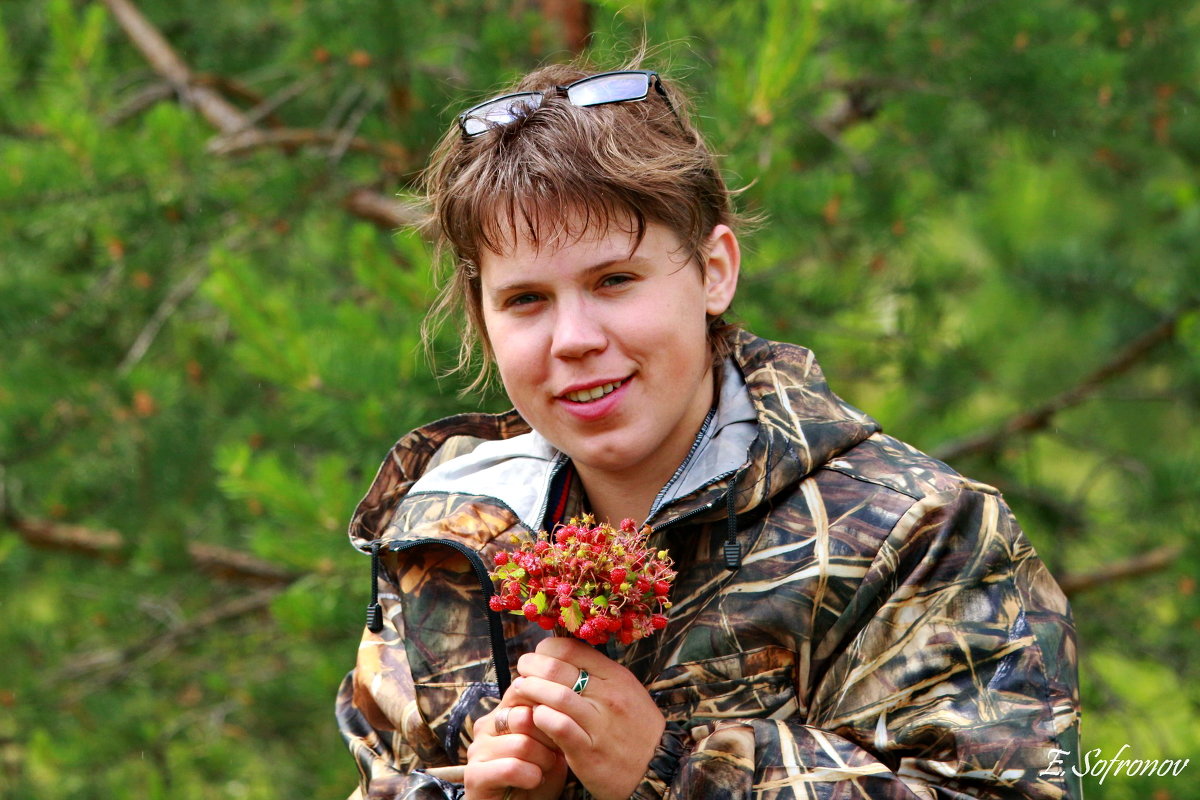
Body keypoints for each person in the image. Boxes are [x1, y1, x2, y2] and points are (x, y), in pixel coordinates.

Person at [334, 60, 1082, 800]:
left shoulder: (917, 533)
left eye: (614, 280)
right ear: (484, 320)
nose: (573, 338)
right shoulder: (445, 544)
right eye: (526, 299)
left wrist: (674, 771)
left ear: (714, 271)